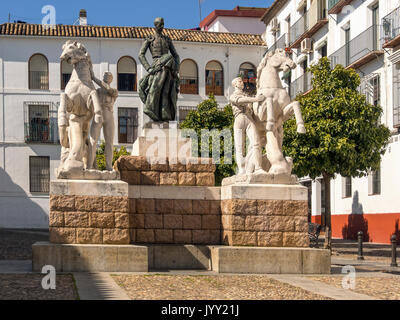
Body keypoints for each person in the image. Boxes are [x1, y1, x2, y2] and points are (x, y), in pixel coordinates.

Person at [138, 17, 180, 122]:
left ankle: (165, 114)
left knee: (166, 91)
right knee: (156, 89)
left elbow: (175, 55)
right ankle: (152, 109)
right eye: (159, 25)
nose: (162, 26)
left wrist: (176, 69)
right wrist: (149, 68)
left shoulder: (167, 40)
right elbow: (141, 55)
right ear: (155, 25)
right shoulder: (150, 39)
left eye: (163, 24)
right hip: (157, 66)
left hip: (169, 67)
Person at [230, 77, 266, 175]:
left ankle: (258, 167)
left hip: (250, 119)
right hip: (239, 119)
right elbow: (241, 100)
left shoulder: (247, 96)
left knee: (256, 142)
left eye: (242, 81)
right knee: (239, 147)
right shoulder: (233, 96)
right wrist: (256, 99)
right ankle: (241, 169)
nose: (242, 83)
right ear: (235, 84)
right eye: (240, 81)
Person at [87, 70, 118, 171]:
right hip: (98, 115)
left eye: (108, 75)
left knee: (109, 142)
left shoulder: (114, 91)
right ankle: (89, 166)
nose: (105, 75)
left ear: (111, 79)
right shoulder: (97, 91)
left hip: (108, 115)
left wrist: (94, 78)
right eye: (104, 74)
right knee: (92, 140)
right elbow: (89, 104)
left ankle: (109, 166)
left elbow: (108, 89)